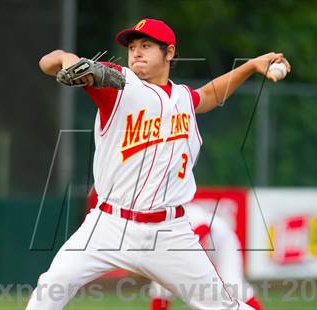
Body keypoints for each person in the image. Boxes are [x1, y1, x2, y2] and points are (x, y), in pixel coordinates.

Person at [26, 18, 290, 310]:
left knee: (224, 306)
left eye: (146, 45)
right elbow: (48, 63)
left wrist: (251, 65)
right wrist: (66, 59)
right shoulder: (118, 83)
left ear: (170, 52)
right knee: (51, 288)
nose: (136, 52)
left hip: (170, 233)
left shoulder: (183, 98)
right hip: (108, 226)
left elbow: (211, 94)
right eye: (132, 46)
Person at [149, 203, 264, 310]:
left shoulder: (186, 210)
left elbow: (204, 228)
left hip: (222, 243)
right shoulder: (158, 226)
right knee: (161, 284)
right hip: (193, 251)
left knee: (233, 285)